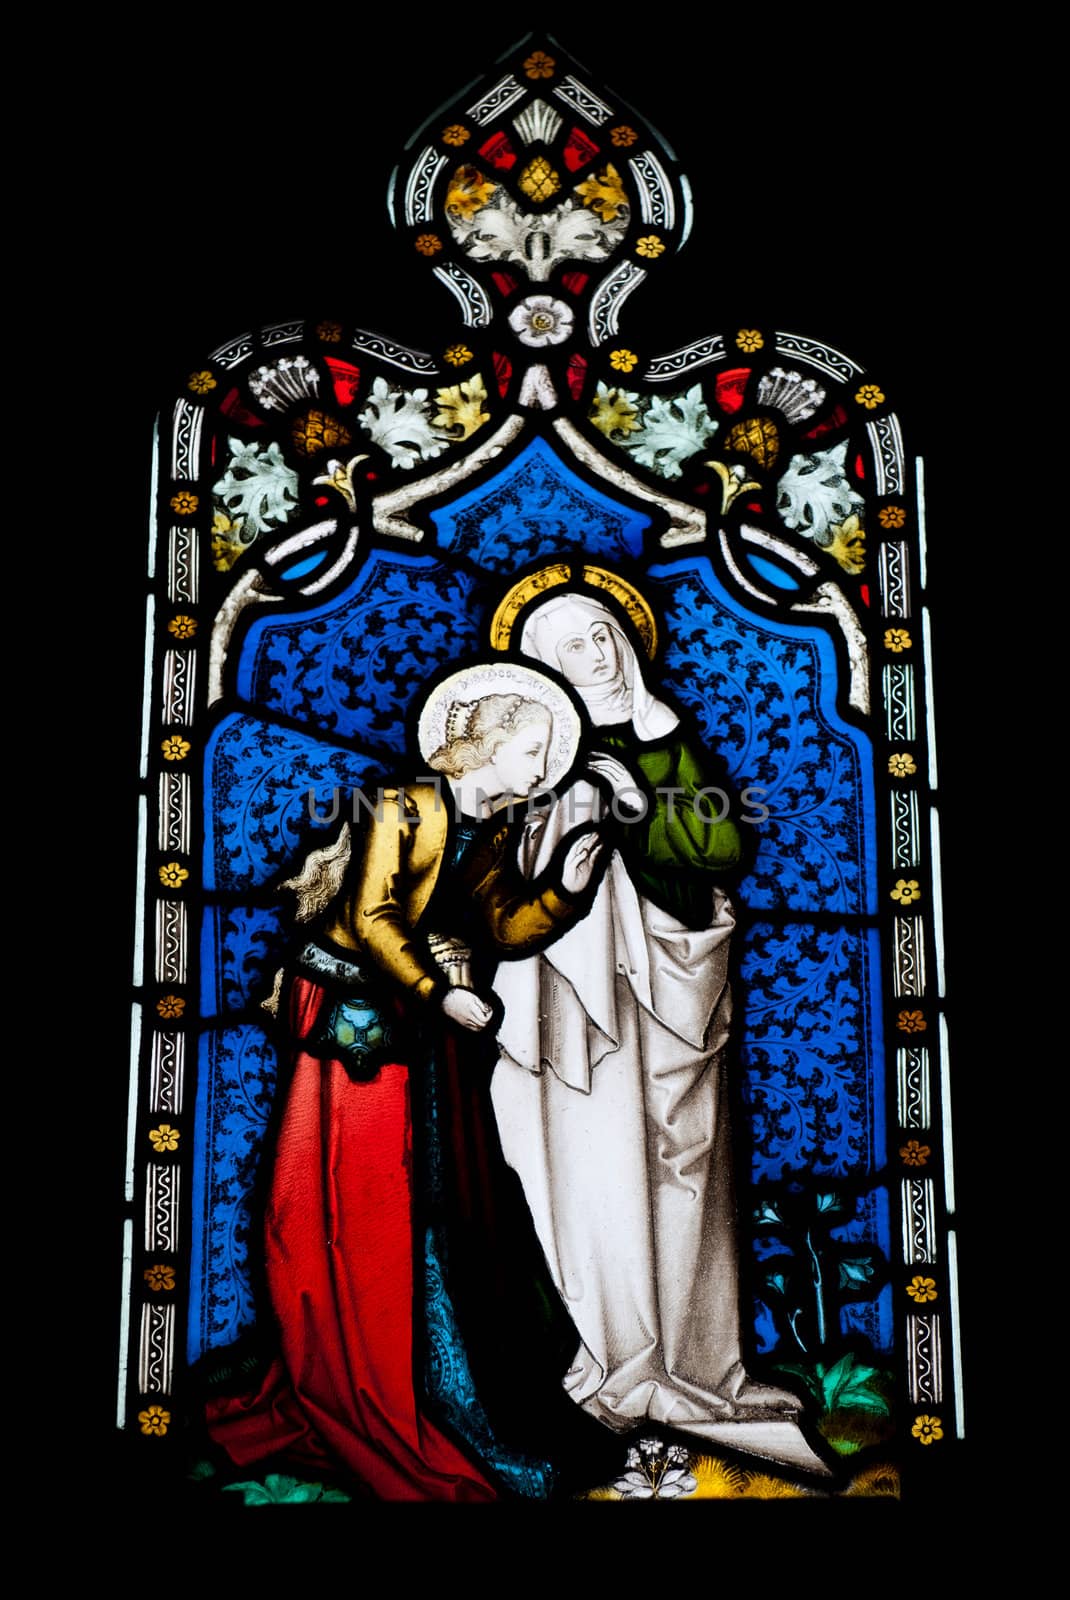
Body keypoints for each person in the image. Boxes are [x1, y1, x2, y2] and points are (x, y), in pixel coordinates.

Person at [206, 668, 610, 1500]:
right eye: (531, 751)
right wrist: (441, 991)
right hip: (358, 1018)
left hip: (422, 1027)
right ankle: (376, 1389)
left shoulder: (495, 829)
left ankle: (456, 1399)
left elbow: (499, 921)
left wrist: (564, 892)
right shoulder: (401, 806)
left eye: (546, 757)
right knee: (367, 1205)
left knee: (440, 1206)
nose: (541, 771)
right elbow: (372, 917)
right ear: (485, 742)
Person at [492, 589, 827, 1474]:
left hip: (677, 985)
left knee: (687, 1174)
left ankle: (693, 1362)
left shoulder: (669, 738)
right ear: (545, 672)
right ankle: (605, 1356)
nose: (597, 652)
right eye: (571, 646)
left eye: (604, 634)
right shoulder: (537, 761)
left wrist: (642, 795)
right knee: (594, 1170)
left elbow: (718, 852)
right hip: (577, 1002)